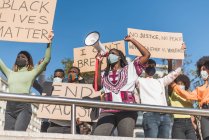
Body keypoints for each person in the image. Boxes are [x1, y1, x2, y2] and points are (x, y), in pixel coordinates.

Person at [92, 35, 150, 137]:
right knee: (97, 136)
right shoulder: (104, 74)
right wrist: (98, 63)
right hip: (107, 111)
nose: (110, 56)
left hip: (127, 111)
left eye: (113, 54)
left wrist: (132, 40)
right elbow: (96, 87)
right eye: (109, 54)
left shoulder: (130, 68)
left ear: (119, 57)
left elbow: (146, 54)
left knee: (125, 137)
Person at [0, 31, 54, 131]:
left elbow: (46, 60)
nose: (20, 58)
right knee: (7, 135)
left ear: (28, 61)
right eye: (18, 56)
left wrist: (49, 42)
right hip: (9, 106)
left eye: (23, 57)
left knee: (18, 134)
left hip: (23, 106)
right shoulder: (10, 73)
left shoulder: (32, 73)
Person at [137, 59, 181, 138]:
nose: (151, 67)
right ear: (144, 67)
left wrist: (180, 55)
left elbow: (175, 73)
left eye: (153, 66)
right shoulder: (139, 81)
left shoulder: (160, 81)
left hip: (164, 116)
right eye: (149, 65)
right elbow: (129, 74)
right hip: (149, 115)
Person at [171, 56, 209, 140]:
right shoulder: (199, 89)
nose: (202, 72)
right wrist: (175, 86)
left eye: (204, 69)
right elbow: (188, 96)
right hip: (205, 112)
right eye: (201, 70)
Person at [170, 74, 197, 140]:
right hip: (178, 123)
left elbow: (191, 109)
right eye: (178, 84)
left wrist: (193, 123)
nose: (180, 86)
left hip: (189, 124)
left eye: (182, 84)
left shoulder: (188, 94)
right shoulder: (173, 92)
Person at [47, 69, 73, 133]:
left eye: (59, 77)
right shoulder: (49, 88)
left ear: (63, 78)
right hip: (54, 125)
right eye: (55, 77)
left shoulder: (71, 89)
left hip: (70, 126)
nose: (57, 78)